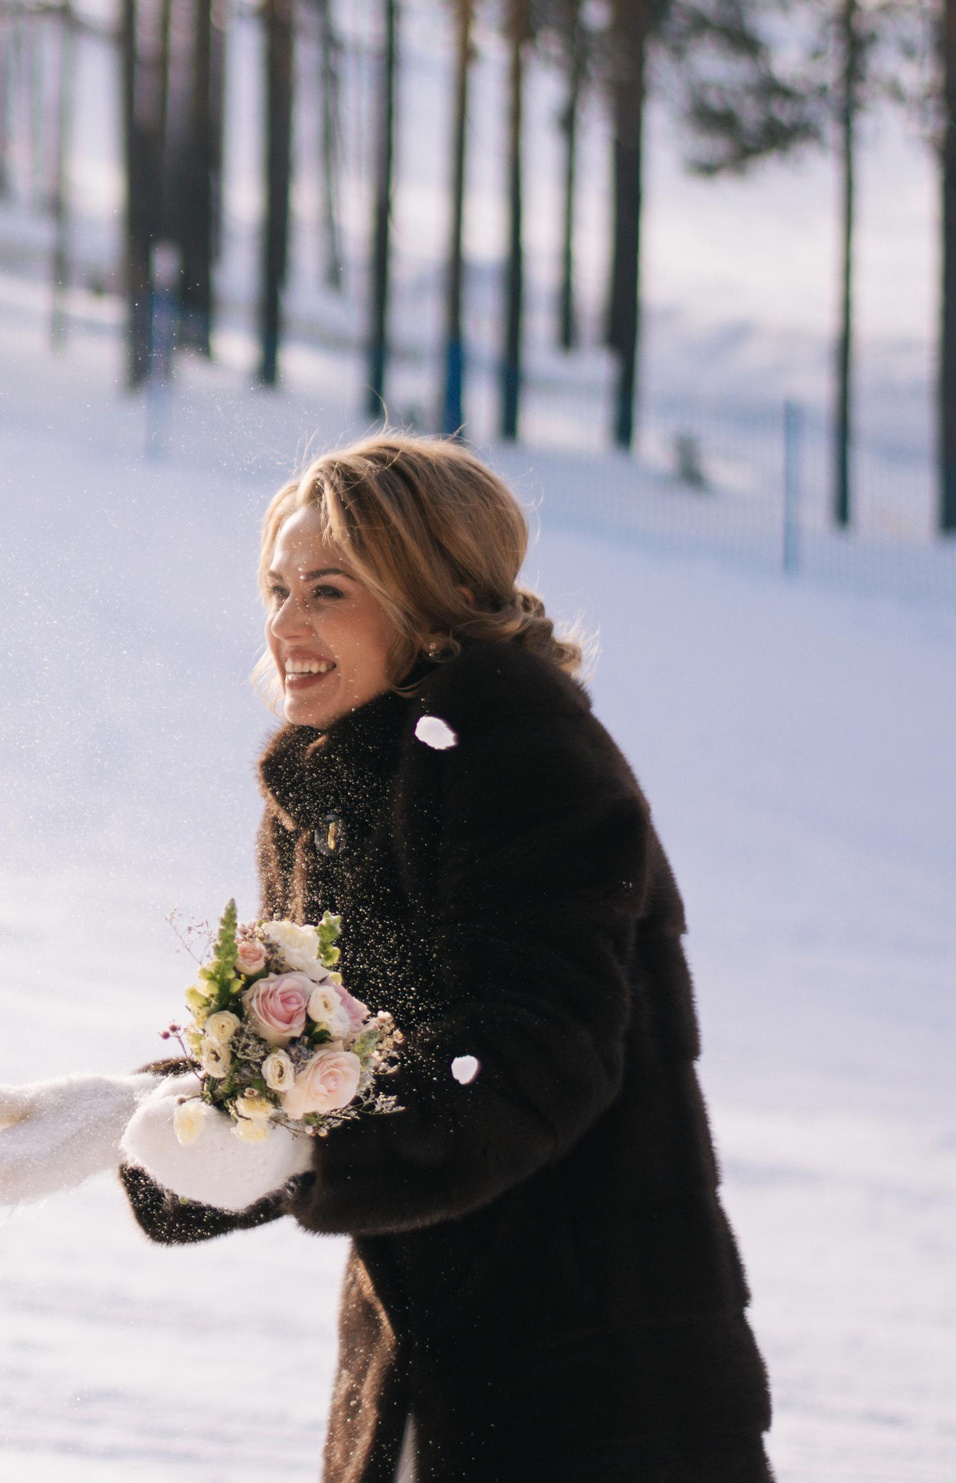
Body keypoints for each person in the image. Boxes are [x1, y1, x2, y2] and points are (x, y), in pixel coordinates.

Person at [122, 435, 771, 1481]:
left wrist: (301, 1151)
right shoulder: (329, 789)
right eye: (278, 589)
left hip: (594, 1387)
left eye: (327, 591)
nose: (286, 624)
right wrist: (130, 1119)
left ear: (432, 599)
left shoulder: (520, 754)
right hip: (424, 1363)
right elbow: (302, 1061)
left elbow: (528, 1062)